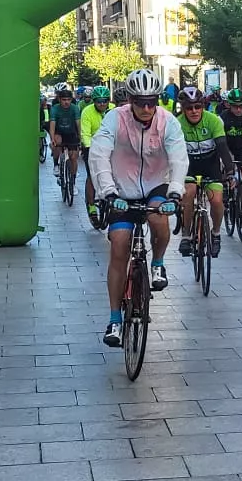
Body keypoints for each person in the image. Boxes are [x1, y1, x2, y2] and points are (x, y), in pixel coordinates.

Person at [92, 70, 186, 345]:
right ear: (130, 100)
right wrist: (108, 192)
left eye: (152, 102)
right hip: (121, 189)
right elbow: (99, 155)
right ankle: (114, 320)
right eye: (140, 102)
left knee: (159, 218)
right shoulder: (115, 118)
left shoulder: (167, 121)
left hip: (157, 184)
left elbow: (179, 158)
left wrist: (176, 191)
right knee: (119, 245)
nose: (146, 108)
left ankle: (158, 264)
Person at [175, 89, 228, 260]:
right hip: (188, 166)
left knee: (217, 200)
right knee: (189, 193)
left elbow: (222, 147)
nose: (194, 111)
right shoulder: (177, 124)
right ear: (183, 109)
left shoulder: (213, 120)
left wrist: (230, 172)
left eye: (198, 107)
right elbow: (172, 153)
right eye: (189, 108)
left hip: (210, 165)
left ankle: (216, 233)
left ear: (203, 106)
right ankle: (186, 235)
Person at [79, 86, 112, 210]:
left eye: (105, 101)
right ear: (94, 101)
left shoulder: (113, 110)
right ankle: (91, 205)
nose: (102, 104)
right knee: (92, 176)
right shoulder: (87, 111)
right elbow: (85, 133)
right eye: (99, 101)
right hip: (93, 146)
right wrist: (88, 148)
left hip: (110, 146)